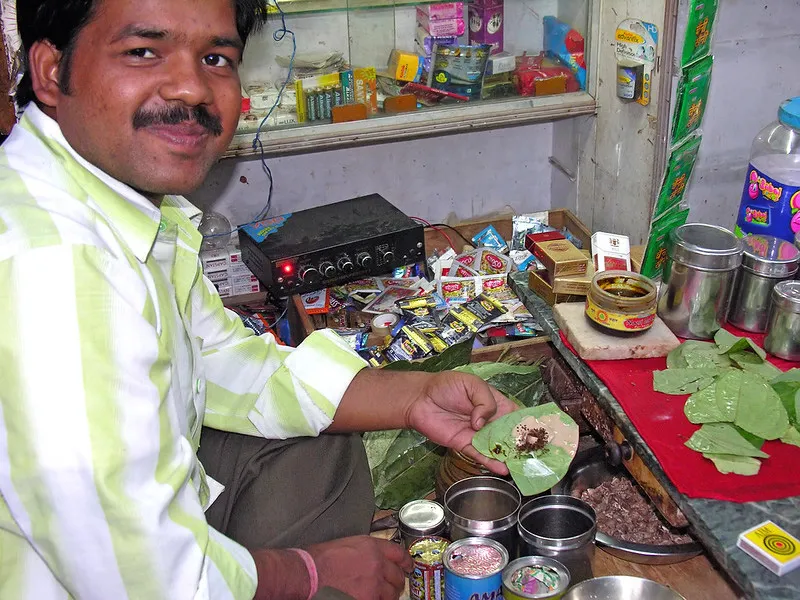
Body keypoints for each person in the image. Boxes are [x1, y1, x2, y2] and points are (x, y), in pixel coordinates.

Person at [0, 1, 517, 599]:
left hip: (129, 547)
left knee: (321, 449)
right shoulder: (56, 268)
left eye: (216, 58)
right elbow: (140, 582)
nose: (192, 87)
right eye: (143, 51)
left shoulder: (115, 203)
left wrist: (414, 397)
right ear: (49, 71)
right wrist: (312, 571)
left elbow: (218, 359)